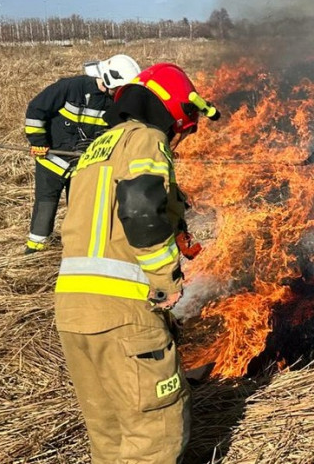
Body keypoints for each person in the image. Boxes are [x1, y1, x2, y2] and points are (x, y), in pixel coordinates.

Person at [54, 63, 219, 464]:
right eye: (181, 129)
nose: (178, 140)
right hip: (123, 313)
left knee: (110, 436)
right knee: (154, 436)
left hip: (74, 312)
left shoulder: (97, 147)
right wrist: (165, 281)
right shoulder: (146, 139)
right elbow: (142, 208)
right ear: (170, 112)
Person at [23, 54, 141, 253]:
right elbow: (36, 110)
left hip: (84, 164)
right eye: (122, 88)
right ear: (110, 79)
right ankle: (35, 248)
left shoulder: (117, 103)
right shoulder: (71, 87)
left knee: (80, 208)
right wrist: (39, 142)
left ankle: (75, 248)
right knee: (46, 204)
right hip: (52, 159)